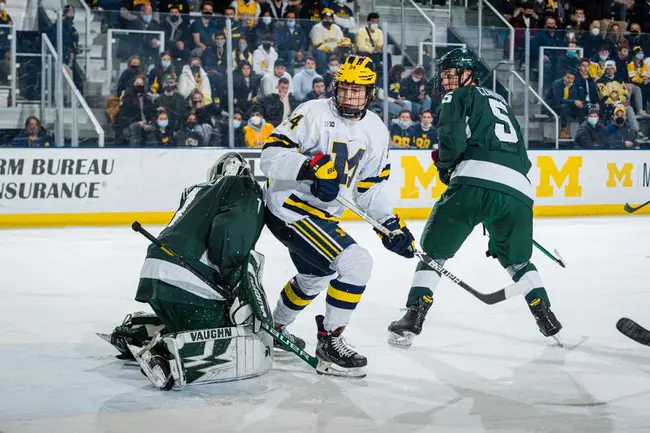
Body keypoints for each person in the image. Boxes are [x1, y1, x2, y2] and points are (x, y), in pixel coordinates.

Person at [388, 48, 562, 348]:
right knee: (519, 261)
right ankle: (545, 314)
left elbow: (452, 140)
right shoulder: (501, 102)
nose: (446, 80)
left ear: (469, 73)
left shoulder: (455, 97)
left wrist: (445, 166)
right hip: (519, 191)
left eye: (452, 73)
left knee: (433, 252)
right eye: (444, 75)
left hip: (473, 183)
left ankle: (413, 316)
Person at [260, 55, 415, 377]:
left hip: (323, 217)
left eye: (358, 92)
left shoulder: (376, 130)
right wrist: (310, 167)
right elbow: (270, 155)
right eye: (345, 89)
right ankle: (330, 341)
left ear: (370, 93)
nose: (350, 97)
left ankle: (272, 329)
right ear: (335, 87)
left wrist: (390, 225)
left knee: (315, 277)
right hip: (290, 208)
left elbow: (369, 187)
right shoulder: (311, 113)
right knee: (356, 263)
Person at [104, 153, 273, 390]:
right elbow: (229, 240)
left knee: (183, 320)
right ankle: (164, 356)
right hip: (189, 277)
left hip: (157, 269)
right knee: (227, 329)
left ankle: (138, 333)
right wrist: (238, 287)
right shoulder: (245, 188)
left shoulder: (197, 190)